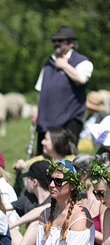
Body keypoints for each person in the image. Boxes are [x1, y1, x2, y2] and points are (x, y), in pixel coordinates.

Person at [34, 25, 93, 154]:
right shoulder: (48, 63)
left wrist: (64, 66)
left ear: (71, 43)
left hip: (68, 122)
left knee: (66, 162)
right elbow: (41, 90)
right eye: (54, 41)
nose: (56, 43)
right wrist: (37, 112)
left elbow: (81, 79)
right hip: (46, 122)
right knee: (41, 162)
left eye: (60, 41)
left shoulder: (82, 62)